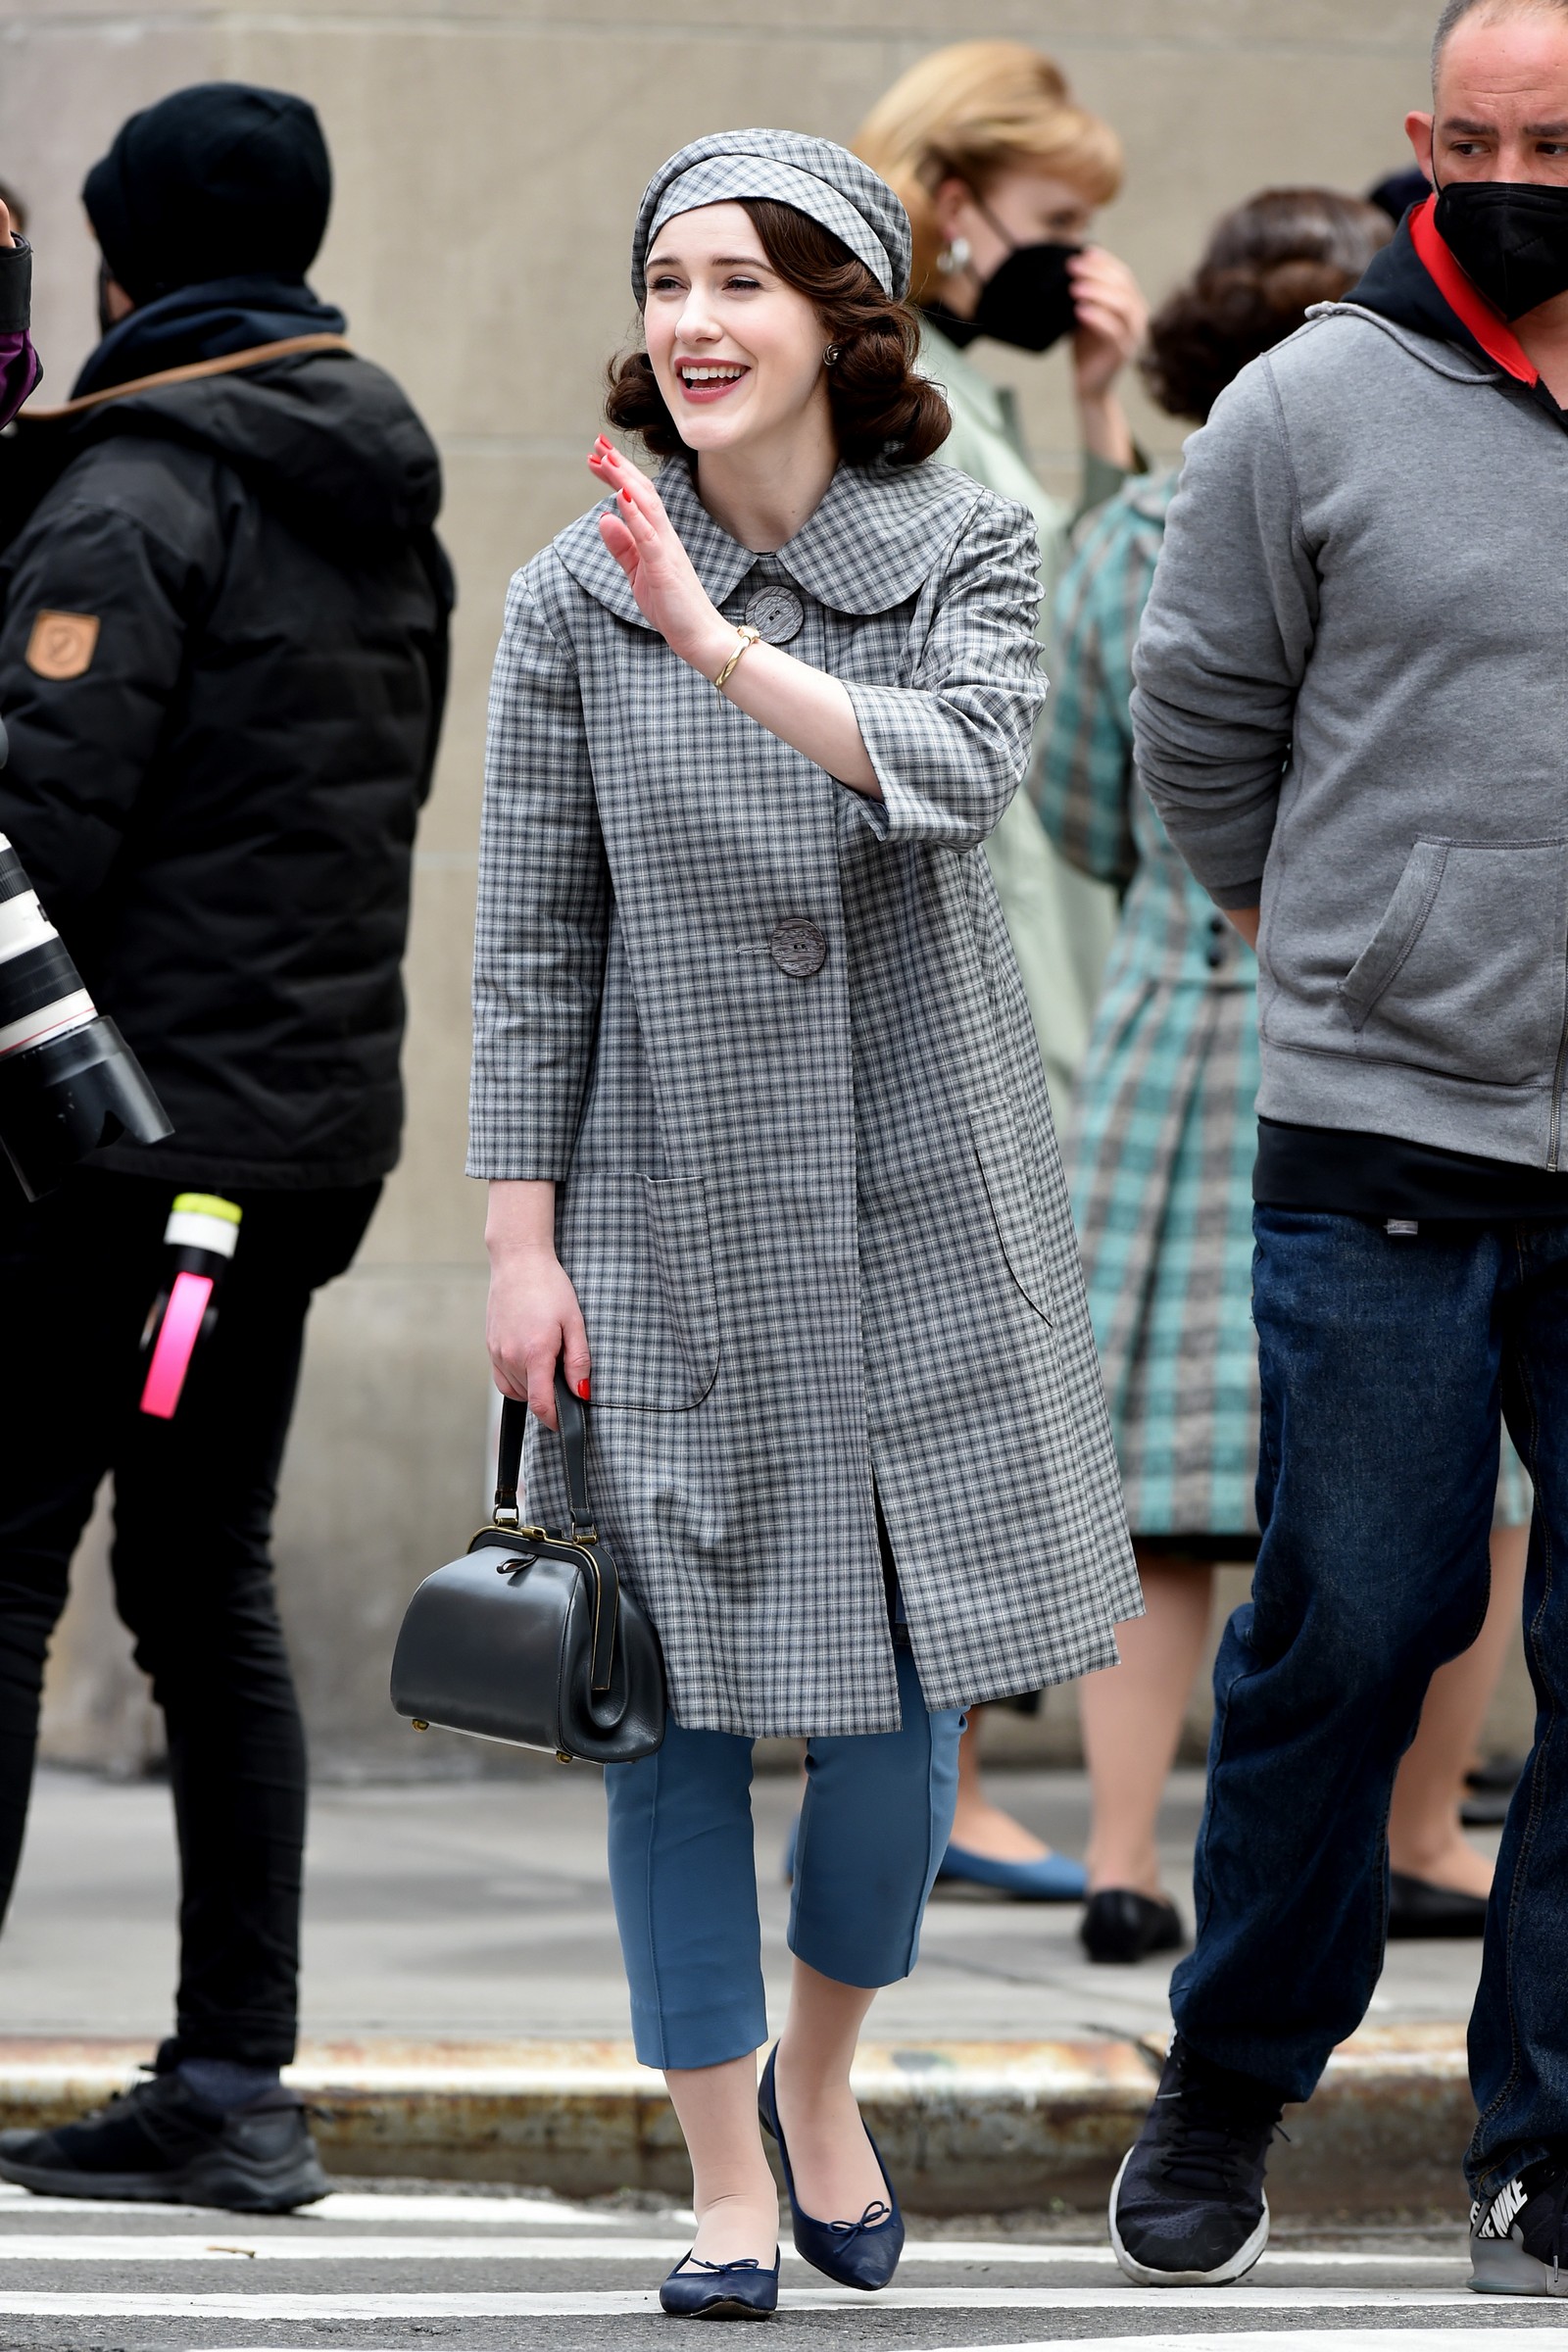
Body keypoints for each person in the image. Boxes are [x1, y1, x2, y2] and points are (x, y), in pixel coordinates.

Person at [470, 128, 1139, 2319]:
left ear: (846, 321)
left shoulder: (963, 538)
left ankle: (822, 2080)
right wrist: (518, 1245)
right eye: (668, 280)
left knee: (901, 1717)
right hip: (663, 1215)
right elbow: (532, 947)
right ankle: (723, 2180)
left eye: (742, 281)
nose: (694, 321)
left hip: (925, 1199)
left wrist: (720, 644)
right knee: (660, 1715)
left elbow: (965, 764)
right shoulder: (570, 591)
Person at [1108, 0, 1568, 2293]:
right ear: (1418, 139)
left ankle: (1544, 2142)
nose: (1511, 178)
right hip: (1383, 1117)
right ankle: (1227, 2077)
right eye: (1475, 140)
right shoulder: (1307, 402)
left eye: (1554, 143)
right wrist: (1314, 927)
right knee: (1351, 1619)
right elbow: (1193, 707)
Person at [0, 83, 450, 2212]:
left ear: (123, 259)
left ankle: (232, 2084)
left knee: (21, 1571)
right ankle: (232, 2082)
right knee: (200, 1585)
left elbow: (34, 836)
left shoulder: (141, 490)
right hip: (274, 1161)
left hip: (114, 1162)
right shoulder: (372, 483)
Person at [1038, 185, 1531, 1961]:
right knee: (1466, 1497)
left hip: (1176, 1034)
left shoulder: (1127, 537)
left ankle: (1120, 1856)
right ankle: (1420, 1833)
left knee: (1156, 1499)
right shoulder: (1434, 477)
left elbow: (1083, 803)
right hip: (1392, 1044)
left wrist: (1226, 895)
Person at [855, 40, 1149, 1902]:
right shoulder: (913, 399)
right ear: (954, 206)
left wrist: (1106, 407)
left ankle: (938, 1780)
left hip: (1042, 912)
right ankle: (933, 1784)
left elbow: (1101, 640)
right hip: (985, 928)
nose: (1081, 263)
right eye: (1057, 222)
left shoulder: (975, 388)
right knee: (969, 1368)